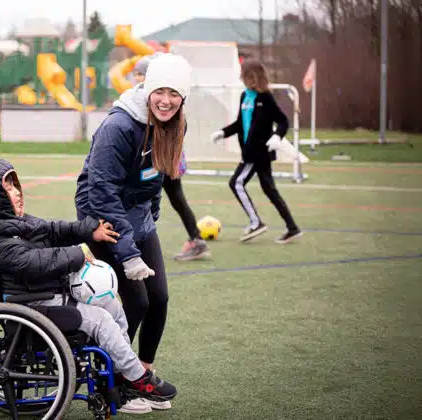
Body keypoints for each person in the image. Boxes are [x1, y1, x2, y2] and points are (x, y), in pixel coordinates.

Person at [0, 156, 177, 413]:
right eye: (8, 188)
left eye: (15, 185)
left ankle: (120, 374)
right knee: (100, 320)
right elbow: (29, 263)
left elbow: (52, 229)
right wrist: (77, 254)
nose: (17, 192)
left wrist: (89, 230)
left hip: (46, 294)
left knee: (113, 307)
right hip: (32, 304)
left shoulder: (15, 222)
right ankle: (139, 377)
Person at [74, 53, 193, 411]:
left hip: (137, 216)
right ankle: (113, 383)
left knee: (159, 298)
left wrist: (151, 214)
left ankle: (142, 374)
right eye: (160, 91)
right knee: (136, 302)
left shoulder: (175, 123)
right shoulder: (119, 127)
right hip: (103, 217)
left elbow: (157, 174)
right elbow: (101, 192)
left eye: (174, 93)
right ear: (147, 89)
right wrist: (128, 252)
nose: (166, 100)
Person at [210, 59, 303, 244]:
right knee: (269, 189)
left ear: (252, 76)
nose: (241, 78)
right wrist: (223, 132)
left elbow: (283, 121)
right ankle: (292, 228)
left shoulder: (265, 98)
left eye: (244, 75)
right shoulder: (244, 96)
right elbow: (239, 124)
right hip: (249, 151)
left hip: (258, 153)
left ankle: (256, 223)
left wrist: (277, 136)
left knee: (236, 183)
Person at [134, 54, 211, 261]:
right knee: (175, 200)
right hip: (163, 161)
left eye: (140, 74)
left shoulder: (159, 101)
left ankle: (194, 240)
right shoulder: (147, 99)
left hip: (164, 161)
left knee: (158, 200)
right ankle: (196, 239)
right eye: (136, 74)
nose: (137, 78)